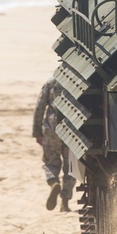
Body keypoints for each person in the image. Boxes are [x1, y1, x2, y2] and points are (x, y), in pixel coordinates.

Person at [32, 77, 76, 212]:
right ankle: (65, 203)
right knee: (71, 167)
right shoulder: (78, 80)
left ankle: (53, 182)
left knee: (51, 163)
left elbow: (40, 107)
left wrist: (37, 132)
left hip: (52, 128)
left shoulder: (52, 82)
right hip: (73, 128)